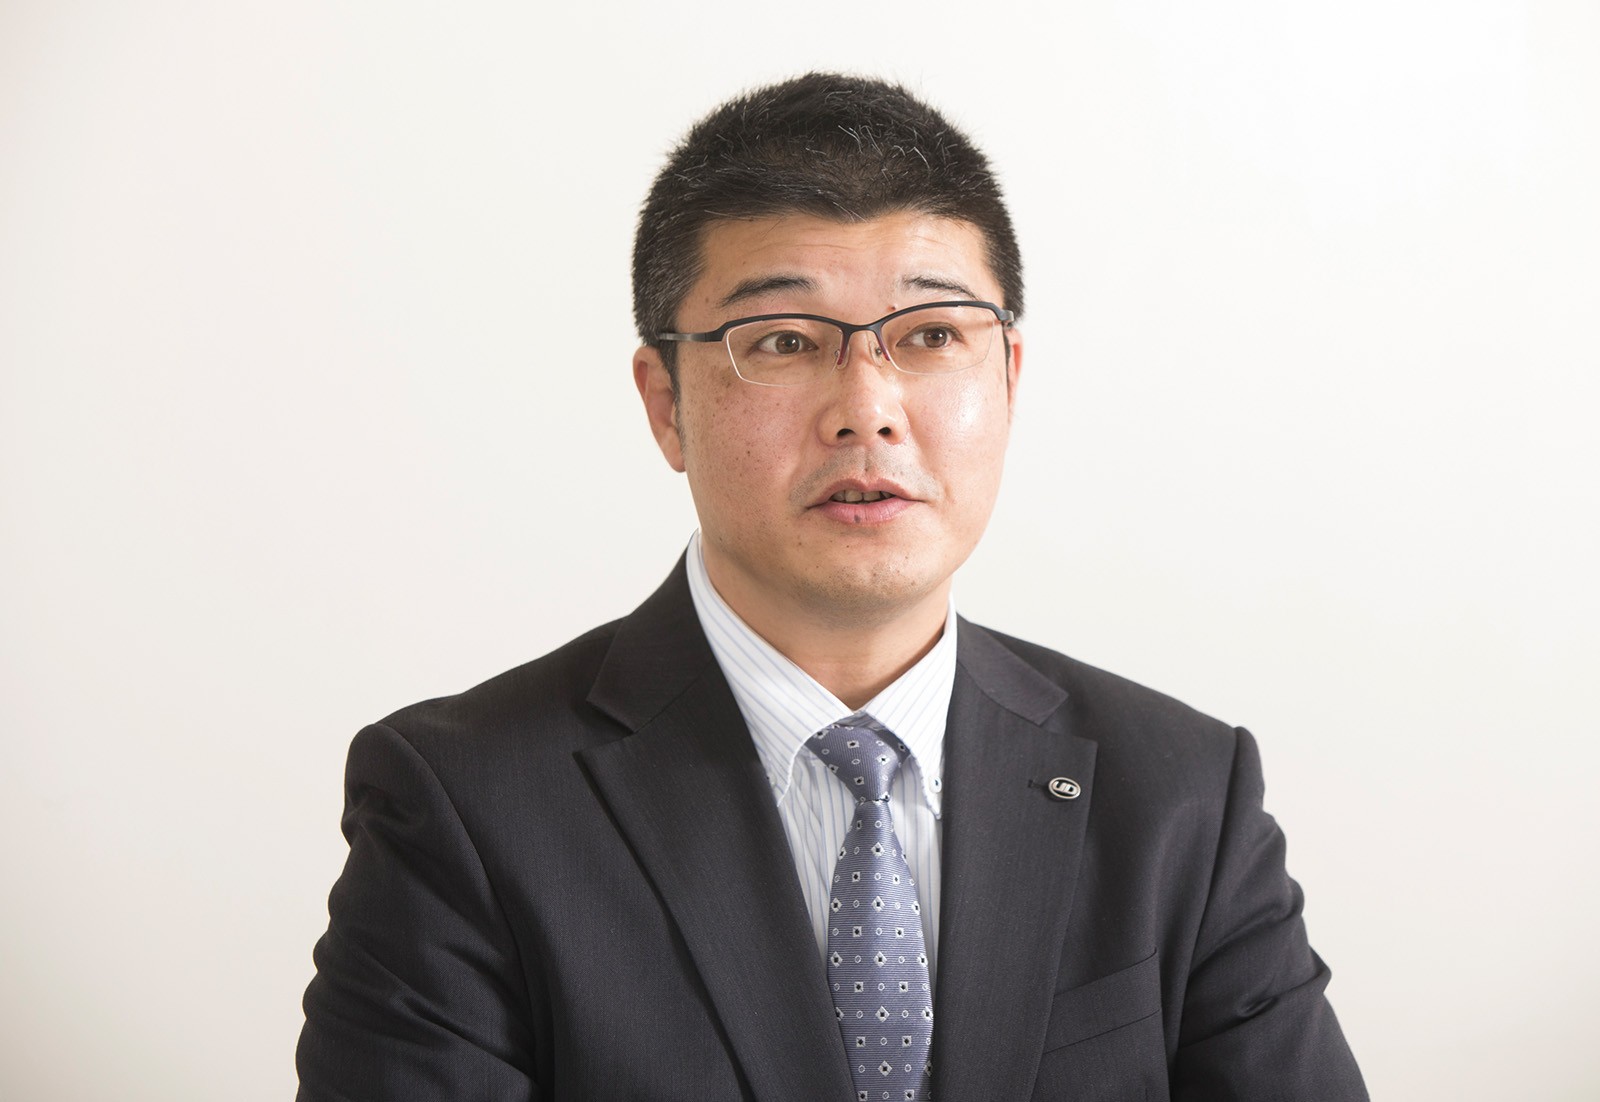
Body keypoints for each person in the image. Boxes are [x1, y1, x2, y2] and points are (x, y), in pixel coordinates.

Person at [296, 72, 1367, 1101]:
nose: (867, 409)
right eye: (783, 341)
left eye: (933, 335)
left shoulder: (1182, 796)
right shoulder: (464, 806)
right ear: (665, 405)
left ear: (1008, 378)